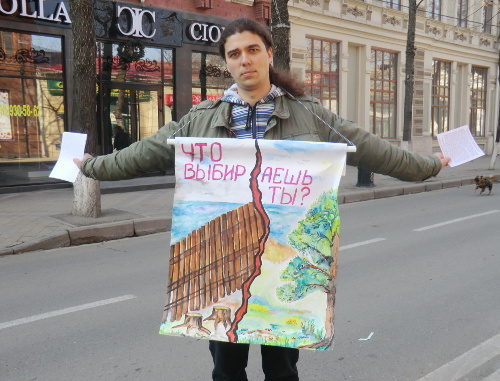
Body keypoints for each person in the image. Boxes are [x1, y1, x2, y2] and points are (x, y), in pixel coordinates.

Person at [75, 18, 450, 381]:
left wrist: (428, 166)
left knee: (282, 371)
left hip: (282, 261)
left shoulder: (309, 115)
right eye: (235, 53)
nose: (245, 60)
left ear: (269, 54)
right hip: (221, 264)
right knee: (226, 370)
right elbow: (143, 154)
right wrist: (92, 167)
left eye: (253, 49)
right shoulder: (200, 119)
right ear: (227, 63)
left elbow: (372, 149)